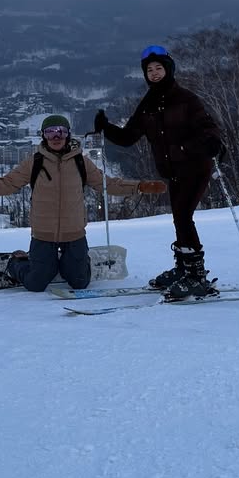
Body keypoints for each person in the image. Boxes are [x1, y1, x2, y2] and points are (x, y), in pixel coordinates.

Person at [0, 114, 165, 291]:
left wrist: (139, 187)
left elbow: (107, 184)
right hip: (44, 233)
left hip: (74, 233)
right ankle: (17, 262)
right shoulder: (34, 162)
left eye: (60, 131)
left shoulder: (81, 161)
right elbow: (6, 184)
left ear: (68, 134)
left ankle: (76, 262)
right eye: (50, 132)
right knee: (36, 283)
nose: (56, 136)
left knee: (80, 282)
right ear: (43, 136)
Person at [95, 45, 224, 299]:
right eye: (149, 70)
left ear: (169, 70)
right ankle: (184, 268)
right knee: (179, 217)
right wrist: (106, 127)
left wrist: (210, 142)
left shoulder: (186, 99)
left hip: (196, 165)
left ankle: (196, 277)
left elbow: (208, 127)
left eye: (159, 68)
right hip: (173, 170)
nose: (154, 73)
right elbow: (128, 137)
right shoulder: (148, 105)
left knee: (184, 216)